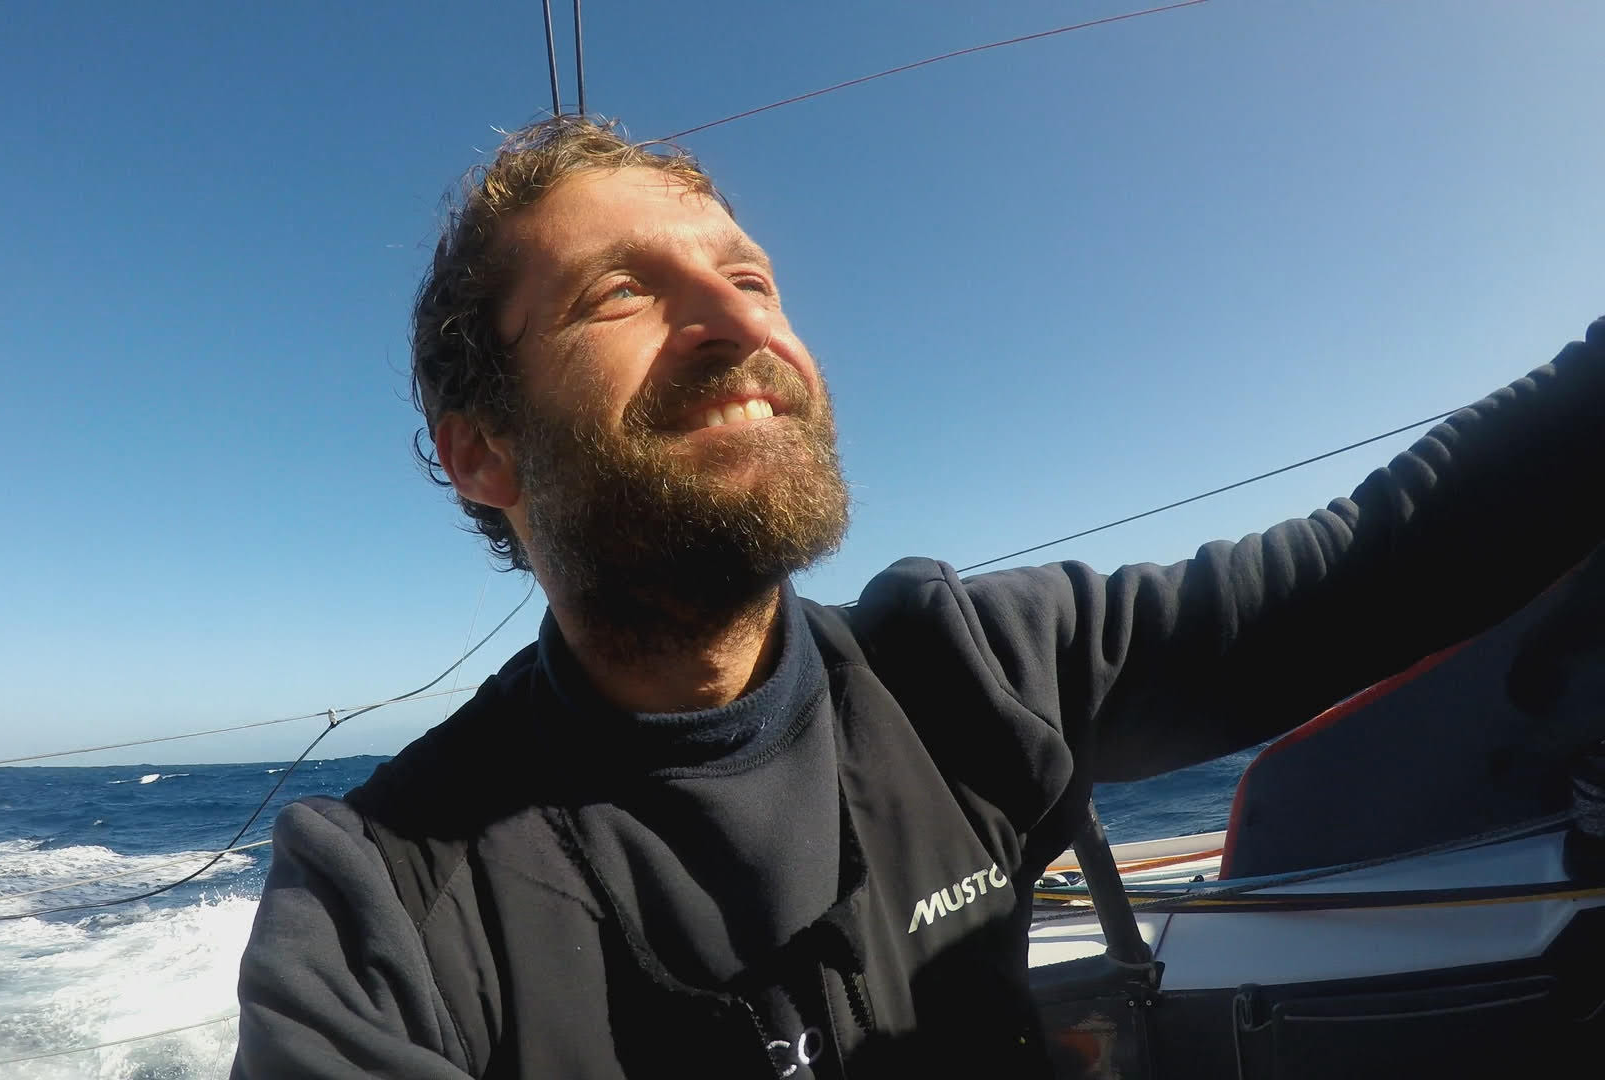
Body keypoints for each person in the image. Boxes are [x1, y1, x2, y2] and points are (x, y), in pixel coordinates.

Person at [231, 115, 1604, 1078]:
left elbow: (1374, 568)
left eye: (750, 277)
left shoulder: (967, 671)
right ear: (481, 451)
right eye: (619, 295)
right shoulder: (379, 902)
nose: (739, 321)